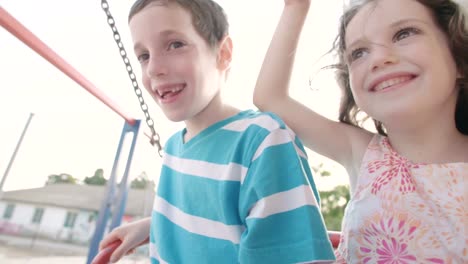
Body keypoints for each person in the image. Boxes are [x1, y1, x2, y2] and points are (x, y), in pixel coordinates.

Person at [94, 0, 336, 263]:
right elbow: (212, 220)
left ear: (223, 53)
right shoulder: (176, 146)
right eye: (144, 56)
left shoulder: (262, 140)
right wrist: (154, 225)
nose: (154, 68)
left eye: (175, 45)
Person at [253, 0, 468, 262]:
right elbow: (270, 98)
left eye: (404, 33)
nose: (378, 58)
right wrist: (295, 7)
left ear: (459, 60)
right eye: (358, 53)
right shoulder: (363, 153)